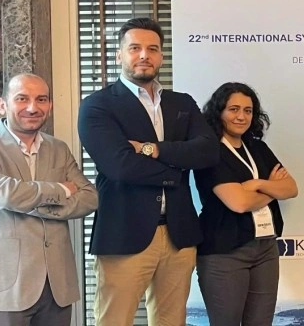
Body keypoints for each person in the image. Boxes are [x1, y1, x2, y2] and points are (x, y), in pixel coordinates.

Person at [77, 17, 219, 326]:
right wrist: (177, 171)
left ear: (161, 56)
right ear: (119, 54)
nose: (144, 55)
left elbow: (208, 151)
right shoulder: (98, 106)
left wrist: (151, 149)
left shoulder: (182, 104)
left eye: (152, 49)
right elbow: (120, 166)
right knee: (114, 321)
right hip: (123, 233)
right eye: (135, 48)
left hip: (179, 235)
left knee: (172, 321)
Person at [0, 73, 98, 326]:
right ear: (2, 105)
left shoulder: (58, 148)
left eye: (41, 99)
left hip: (56, 287)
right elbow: (3, 193)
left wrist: (30, 204)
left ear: (50, 106)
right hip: (4, 287)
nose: (33, 108)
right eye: (22, 99)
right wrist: (61, 190)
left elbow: (89, 197)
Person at [193, 82, 298, 326]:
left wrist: (257, 184)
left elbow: (291, 188)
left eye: (248, 111)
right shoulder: (210, 152)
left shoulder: (257, 147)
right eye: (234, 109)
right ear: (219, 112)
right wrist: (271, 188)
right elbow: (239, 203)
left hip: (265, 248)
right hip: (224, 251)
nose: (241, 116)